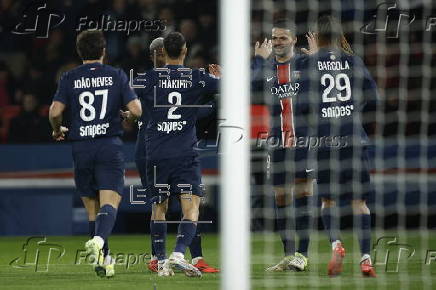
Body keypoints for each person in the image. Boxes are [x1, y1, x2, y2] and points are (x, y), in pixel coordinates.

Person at [48, 30, 142, 278]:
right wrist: (129, 116)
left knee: (93, 209)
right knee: (111, 202)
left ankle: (104, 261)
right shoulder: (116, 75)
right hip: (108, 146)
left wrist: (58, 130)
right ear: (103, 51)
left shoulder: (69, 77)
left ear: (80, 52)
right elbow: (137, 109)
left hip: (81, 148)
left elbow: (55, 111)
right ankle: (99, 240)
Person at [295, 15, 378, 277]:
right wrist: (351, 112)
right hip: (354, 138)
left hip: (324, 141)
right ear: (339, 34)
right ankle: (366, 258)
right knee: (360, 203)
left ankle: (336, 244)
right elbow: (373, 97)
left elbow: (301, 107)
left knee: (328, 201)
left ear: (317, 36)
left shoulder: (310, 63)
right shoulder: (353, 60)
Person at [133, 32, 219, 277]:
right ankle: (179, 254)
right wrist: (218, 77)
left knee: (158, 207)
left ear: (161, 53)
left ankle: (160, 262)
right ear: (184, 50)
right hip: (184, 153)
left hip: (156, 153)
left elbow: (127, 97)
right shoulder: (196, 77)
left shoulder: (146, 79)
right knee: (191, 208)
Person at [252, 19, 313, 272]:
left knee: (303, 195)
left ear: (294, 40)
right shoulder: (265, 67)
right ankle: (288, 254)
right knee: (280, 197)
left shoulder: (306, 63)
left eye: (283, 38)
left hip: (305, 141)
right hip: (276, 143)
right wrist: (258, 60)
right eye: (274, 38)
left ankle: (303, 255)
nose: (277, 42)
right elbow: (250, 87)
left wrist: (319, 56)